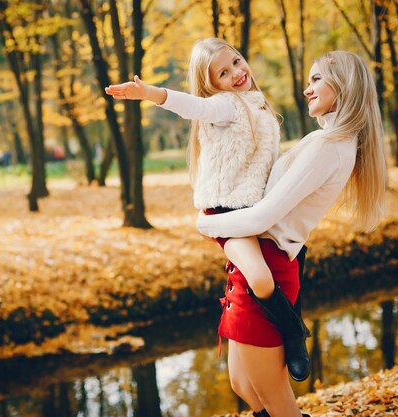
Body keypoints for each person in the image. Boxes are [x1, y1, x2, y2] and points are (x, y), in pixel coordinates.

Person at [194, 50, 387, 416]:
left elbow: (263, 215)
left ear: (342, 84)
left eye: (317, 79)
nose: (306, 89)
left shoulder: (327, 146)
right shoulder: (328, 140)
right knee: (242, 384)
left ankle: (294, 337)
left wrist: (206, 224)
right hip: (253, 260)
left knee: (274, 397)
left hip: (266, 267)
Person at [105, 37, 309, 372]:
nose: (236, 73)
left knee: (294, 255)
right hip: (227, 213)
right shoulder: (224, 106)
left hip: (255, 210)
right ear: (212, 84)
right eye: (223, 73)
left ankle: (287, 333)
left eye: (237, 62)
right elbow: (192, 106)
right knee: (259, 277)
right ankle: (296, 338)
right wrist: (151, 93)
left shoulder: (258, 104)